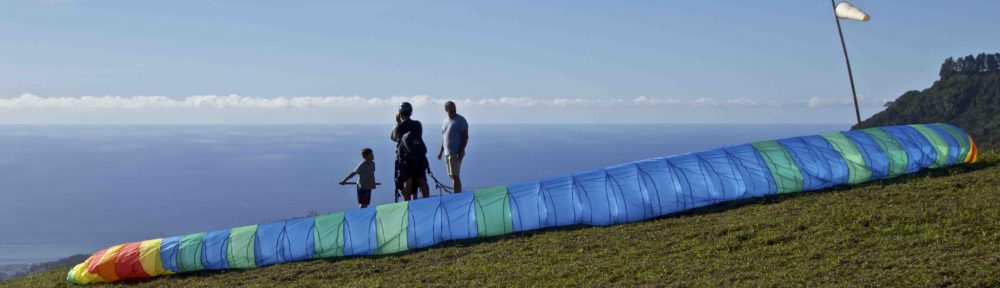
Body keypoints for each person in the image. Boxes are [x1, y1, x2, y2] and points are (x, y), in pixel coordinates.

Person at [390, 102, 431, 201]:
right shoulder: (417, 124)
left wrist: (397, 123)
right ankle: (428, 202)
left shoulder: (399, 126)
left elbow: (393, 138)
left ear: (400, 113)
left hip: (405, 160)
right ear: (411, 112)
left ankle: (407, 205)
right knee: (422, 180)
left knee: (407, 182)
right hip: (419, 158)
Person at [437, 101, 469, 192]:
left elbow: (465, 137)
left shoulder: (461, 120)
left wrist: (460, 151)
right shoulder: (444, 121)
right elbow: (444, 138)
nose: (453, 111)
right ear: (446, 110)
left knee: (455, 175)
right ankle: (457, 193)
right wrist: (440, 152)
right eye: (451, 109)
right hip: (447, 153)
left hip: (456, 152)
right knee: (451, 175)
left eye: (454, 109)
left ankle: (457, 196)